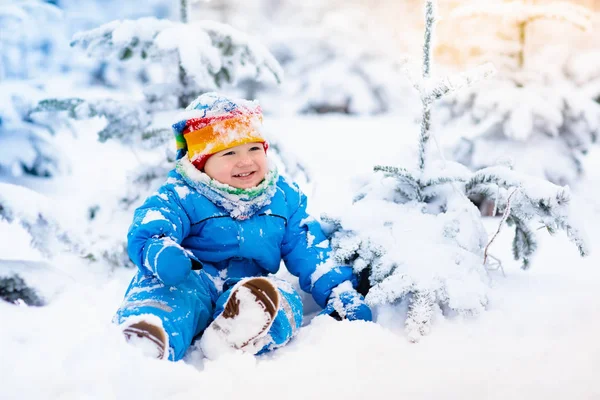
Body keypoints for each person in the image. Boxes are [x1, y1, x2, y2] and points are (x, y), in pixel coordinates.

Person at [114, 92, 372, 361]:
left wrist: (339, 292)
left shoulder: (283, 197)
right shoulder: (181, 194)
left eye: (253, 148)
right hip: (192, 277)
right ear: (201, 163)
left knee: (282, 298)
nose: (246, 161)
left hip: (247, 286)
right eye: (229, 152)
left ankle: (238, 331)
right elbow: (151, 225)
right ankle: (147, 338)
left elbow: (309, 249)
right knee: (168, 294)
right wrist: (160, 251)